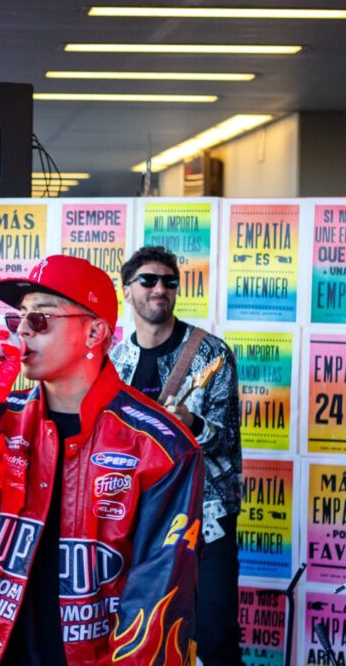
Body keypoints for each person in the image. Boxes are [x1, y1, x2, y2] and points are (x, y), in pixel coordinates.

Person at [0, 254, 204, 665]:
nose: (22, 334)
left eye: (42, 319)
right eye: (19, 320)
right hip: (2, 649)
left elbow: (158, 597)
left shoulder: (162, 445)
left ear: (95, 333)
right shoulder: (2, 418)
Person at [110, 245, 243, 665]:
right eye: (147, 280)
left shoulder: (211, 354)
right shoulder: (113, 361)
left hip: (205, 516)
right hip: (135, 517)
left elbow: (227, 443)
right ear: (127, 291)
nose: (159, 288)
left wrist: (192, 423)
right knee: (139, 629)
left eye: (169, 281)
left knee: (213, 631)